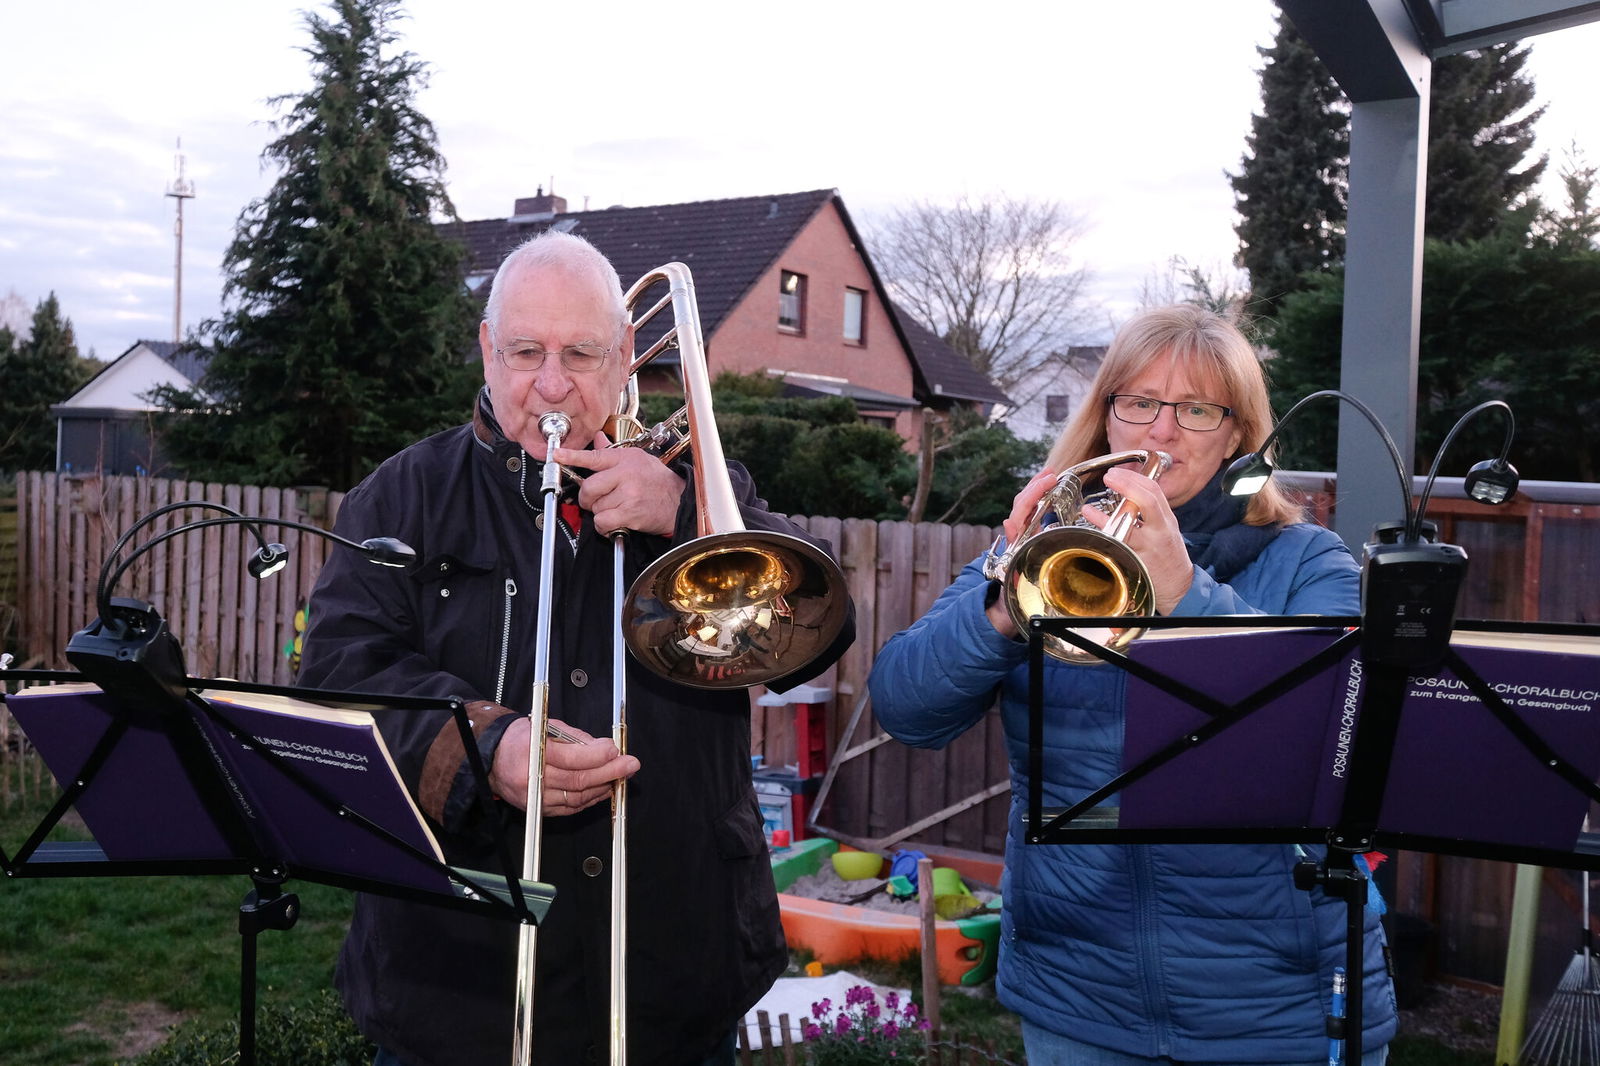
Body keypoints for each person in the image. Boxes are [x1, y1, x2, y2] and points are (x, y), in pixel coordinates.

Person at [297, 230, 854, 1066]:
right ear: (487, 350)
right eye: (525, 351)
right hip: (458, 988)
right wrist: (484, 746)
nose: (550, 384)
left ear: (627, 355)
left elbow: (818, 635)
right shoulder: (403, 496)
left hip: (673, 973)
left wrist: (689, 517)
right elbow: (340, 679)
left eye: (581, 353)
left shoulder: (701, 485)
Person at [867, 305, 1396, 1065]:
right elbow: (907, 709)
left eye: (1196, 409)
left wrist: (1185, 593)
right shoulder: (1035, 546)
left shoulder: (1310, 561)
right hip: (1078, 994)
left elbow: (1339, 742)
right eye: (1140, 403)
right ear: (1107, 416)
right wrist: (1005, 601)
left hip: (1274, 1004)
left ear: (1240, 433)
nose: (1161, 432)